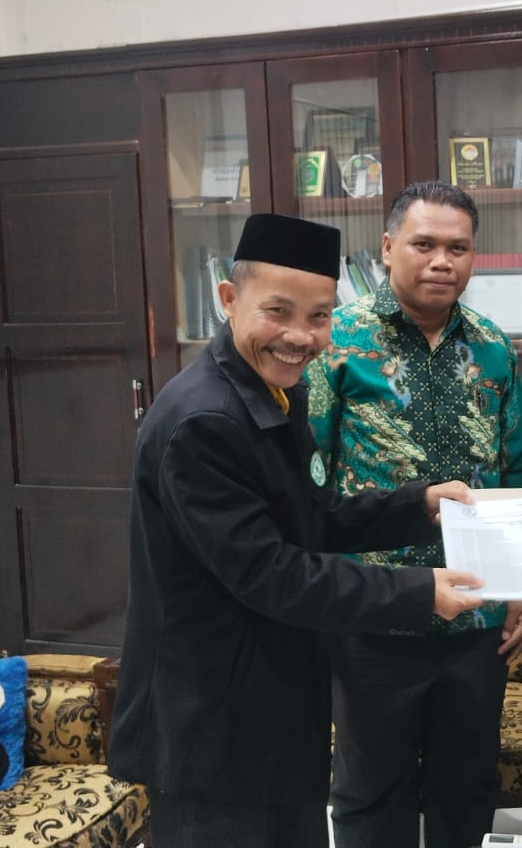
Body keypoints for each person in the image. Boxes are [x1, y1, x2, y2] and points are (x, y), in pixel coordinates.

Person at [109, 212, 486, 848]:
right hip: (211, 727)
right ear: (229, 299)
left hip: (272, 706)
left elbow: (309, 517)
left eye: (319, 317)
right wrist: (419, 592)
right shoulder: (203, 422)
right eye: (278, 312)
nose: (300, 338)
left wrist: (415, 505)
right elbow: (273, 573)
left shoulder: (272, 393)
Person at [305, 180, 522, 848]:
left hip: (475, 614)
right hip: (374, 610)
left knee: (465, 787)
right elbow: (310, 477)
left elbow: (519, 468)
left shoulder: (493, 346)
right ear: (387, 247)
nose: (442, 261)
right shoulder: (338, 340)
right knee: (369, 791)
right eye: (424, 244)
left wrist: (521, 590)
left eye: (458, 248)